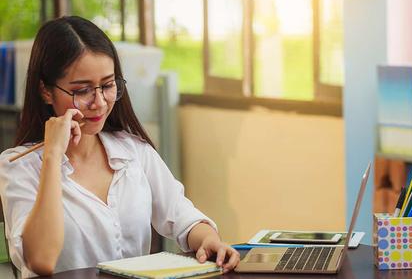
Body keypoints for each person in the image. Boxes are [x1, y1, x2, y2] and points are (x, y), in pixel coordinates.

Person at [0, 16, 239, 277]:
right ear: (46, 91)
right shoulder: (17, 167)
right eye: (82, 90)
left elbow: (183, 217)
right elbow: (41, 260)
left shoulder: (134, 151)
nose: (100, 102)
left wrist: (208, 240)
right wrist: (53, 155)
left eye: (107, 85)